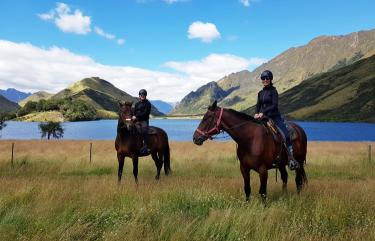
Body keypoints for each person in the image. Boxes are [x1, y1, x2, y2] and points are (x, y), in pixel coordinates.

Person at [254, 70, 300, 170]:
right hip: (263, 118)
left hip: (274, 117)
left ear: (270, 79)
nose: (265, 80)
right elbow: (258, 105)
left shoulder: (273, 91)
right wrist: (256, 113)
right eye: (263, 78)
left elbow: (274, 105)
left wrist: (263, 112)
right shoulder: (260, 93)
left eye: (267, 78)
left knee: (286, 135)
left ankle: (291, 158)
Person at [133, 89, 151, 155]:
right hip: (137, 120)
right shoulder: (137, 104)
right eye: (141, 95)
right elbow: (134, 112)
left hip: (144, 120)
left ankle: (146, 146)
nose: (142, 96)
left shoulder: (148, 104)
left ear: (145, 96)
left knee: (144, 130)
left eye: (143, 95)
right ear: (139, 96)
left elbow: (145, 113)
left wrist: (136, 116)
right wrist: (133, 116)